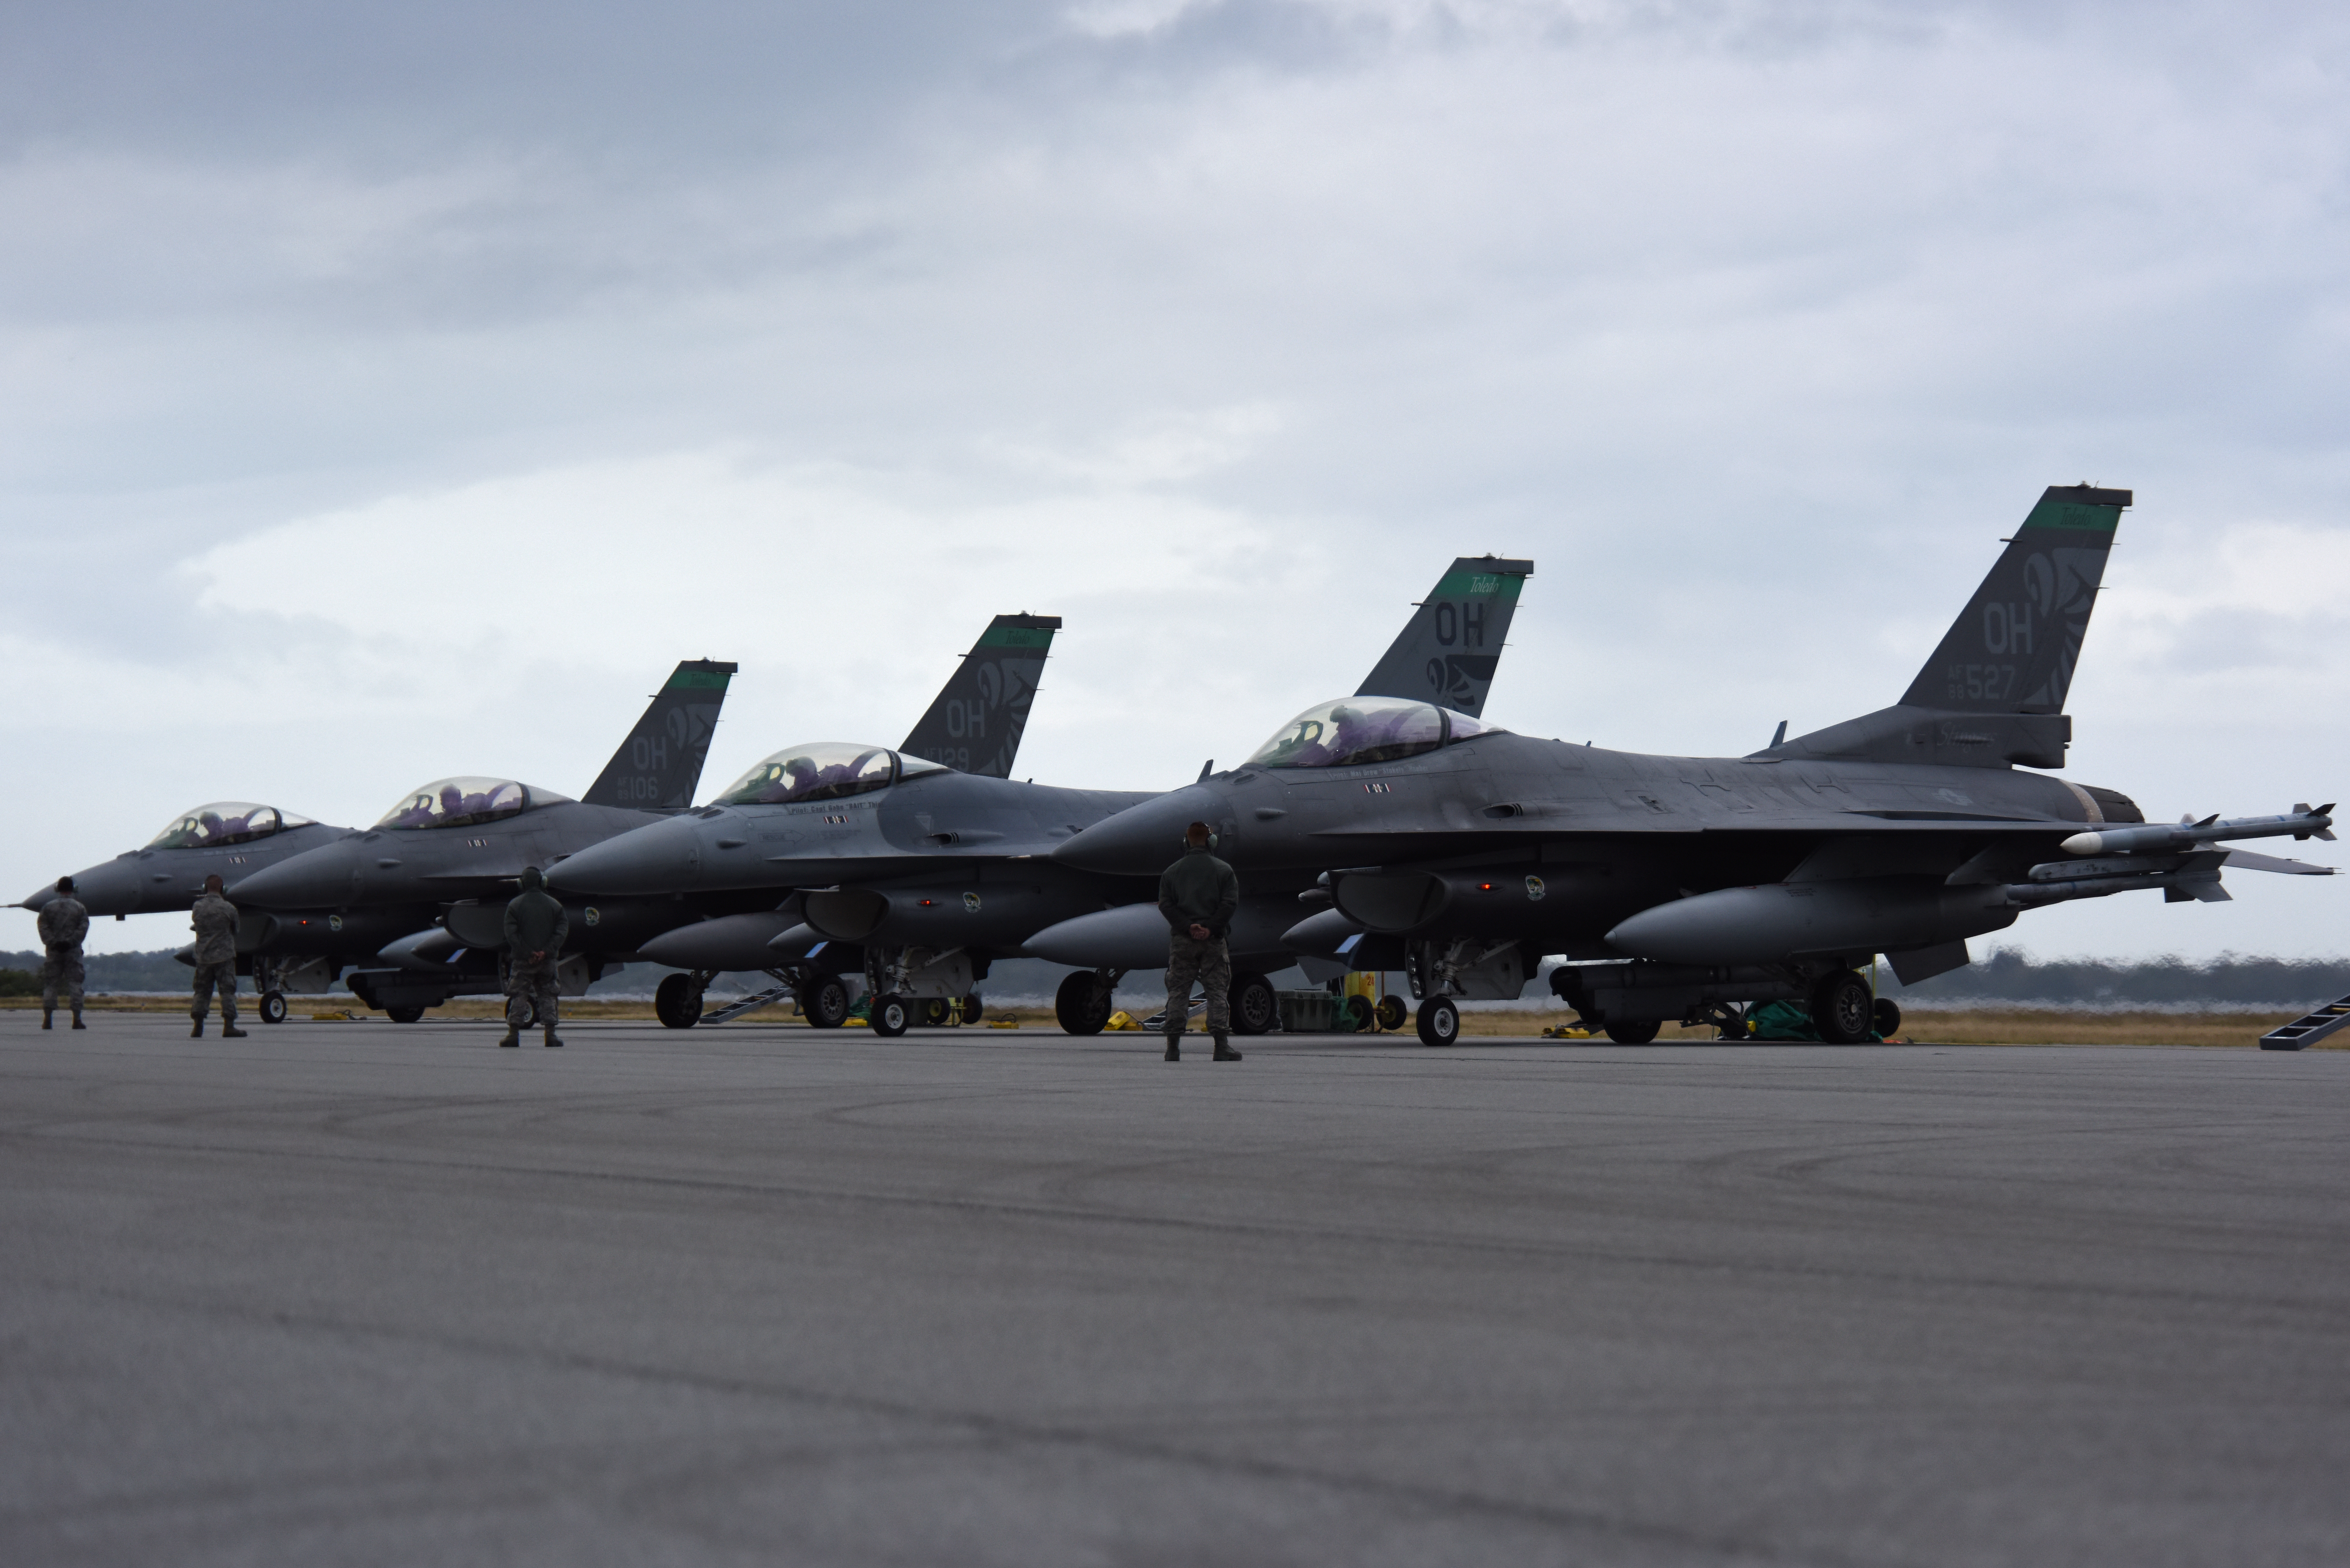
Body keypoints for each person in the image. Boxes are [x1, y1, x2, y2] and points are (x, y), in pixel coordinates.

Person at [1157, 821, 1242, 1063]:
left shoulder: (1171, 872)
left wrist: (1188, 926)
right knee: (1217, 992)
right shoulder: (1224, 870)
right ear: (1211, 841)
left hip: (1183, 942)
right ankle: (1221, 1047)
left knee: (1178, 992)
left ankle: (1173, 1047)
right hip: (1214, 941)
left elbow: (1165, 905)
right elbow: (1229, 904)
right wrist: (1210, 928)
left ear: (1186, 842)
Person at [501, 865, 568, 1048]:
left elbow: (511, 934)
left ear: (521, 884)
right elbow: (561, 931)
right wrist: (545, 951)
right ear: (542, 882)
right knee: (548, 995)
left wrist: (528, 953)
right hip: (548, 961)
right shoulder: (555, 905)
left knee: (519, 995)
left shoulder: (515, 905)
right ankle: (551, 1035)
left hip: (524, 961)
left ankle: (513, 1035)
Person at [189, 874, 246, 1039]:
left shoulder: (198, 907)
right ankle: (229, 1026)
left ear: (205, 888)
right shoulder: (229, 908)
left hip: (203, 957)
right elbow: (236, 931)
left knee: (201, 991)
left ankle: (198, 1026)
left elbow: (197, 925)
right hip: (224, 957)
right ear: (222, 888)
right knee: (227, 991)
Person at [36, 875, 88, 1031]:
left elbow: (43, 927)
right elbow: (83, 927)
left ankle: (47, 1019)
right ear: (73, 890)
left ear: (57, 889)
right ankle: (77, 1020)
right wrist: (71, 942)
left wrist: (53, 942)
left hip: (53, 952)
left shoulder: (48, 908)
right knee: (75, 984)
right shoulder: (79, 908)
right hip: (72, 952)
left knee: (51, 984)